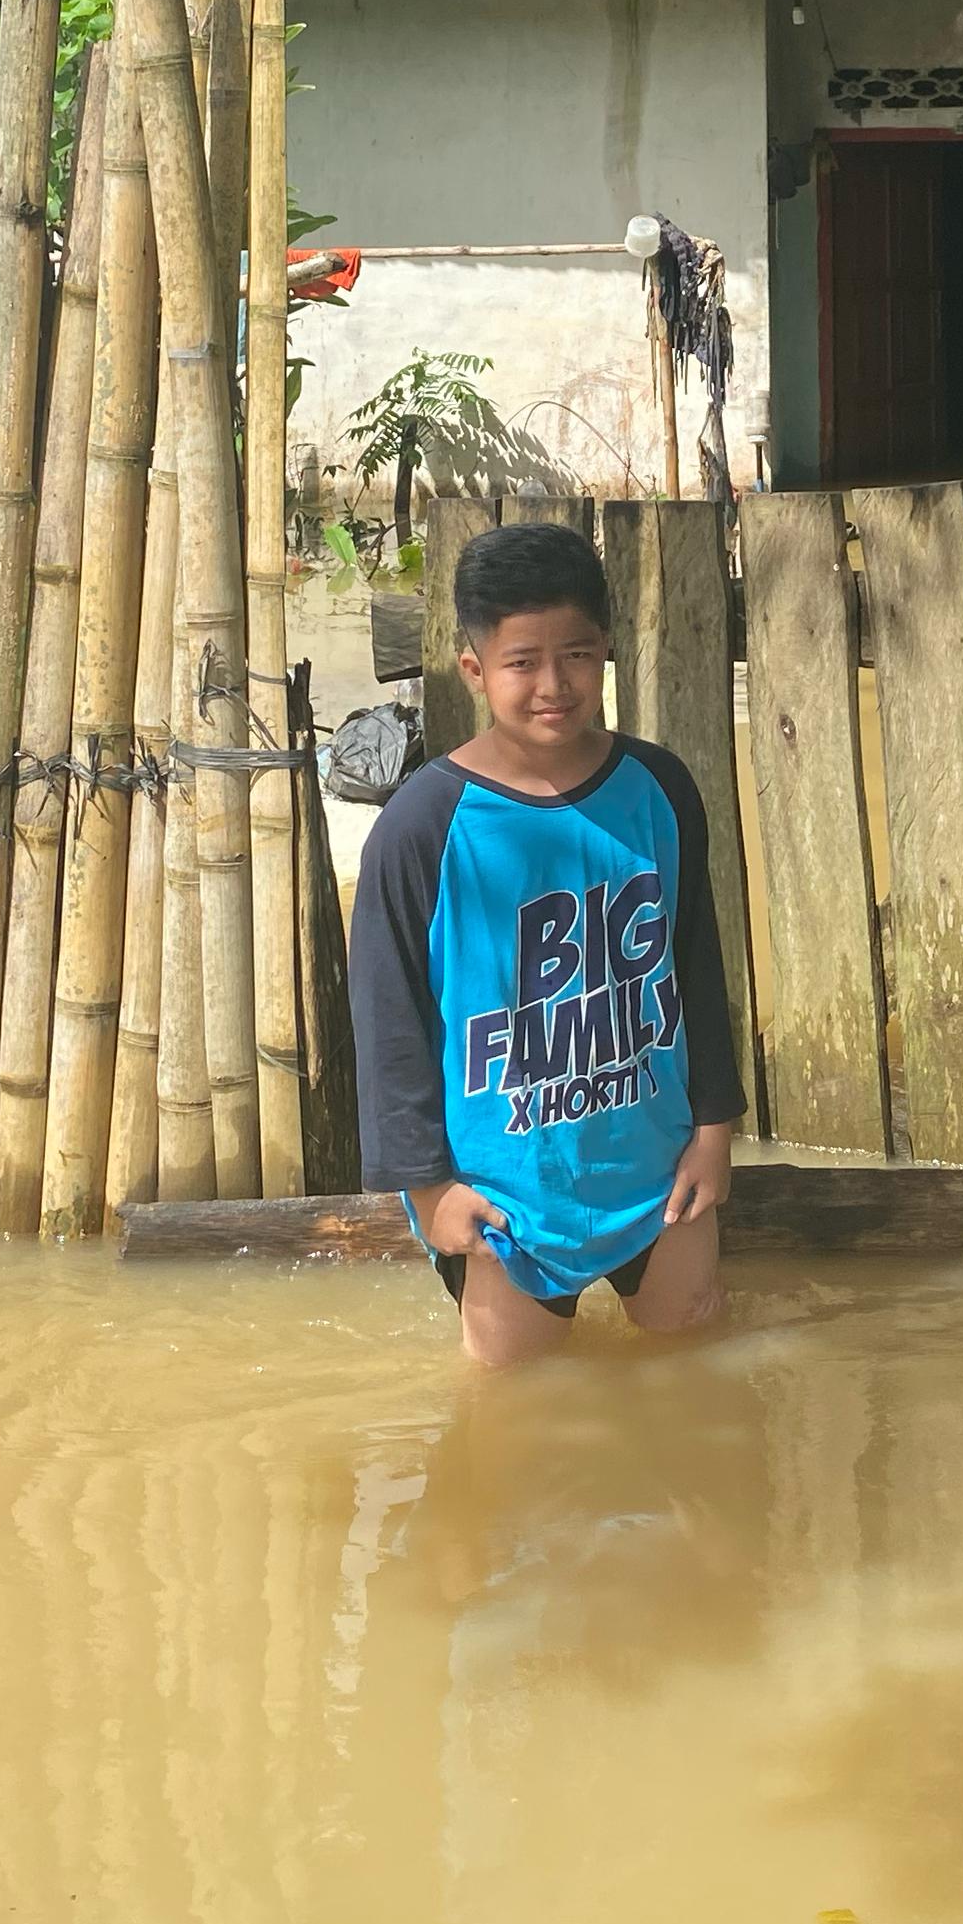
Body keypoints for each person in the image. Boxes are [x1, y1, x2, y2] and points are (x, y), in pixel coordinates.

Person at [353, 519, 745, 1363]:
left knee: (692, 1366)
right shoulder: (421, 827)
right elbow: (390, 1029)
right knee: (514, 1419)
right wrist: (429, 1191)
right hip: (506, 1197)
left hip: (657, 1166)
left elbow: (697, 964)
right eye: (521, 661)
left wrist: (714, 1128)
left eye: (575, 654)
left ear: (606, 650)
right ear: (474, 669)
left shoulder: (660, 789)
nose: (552, 684)